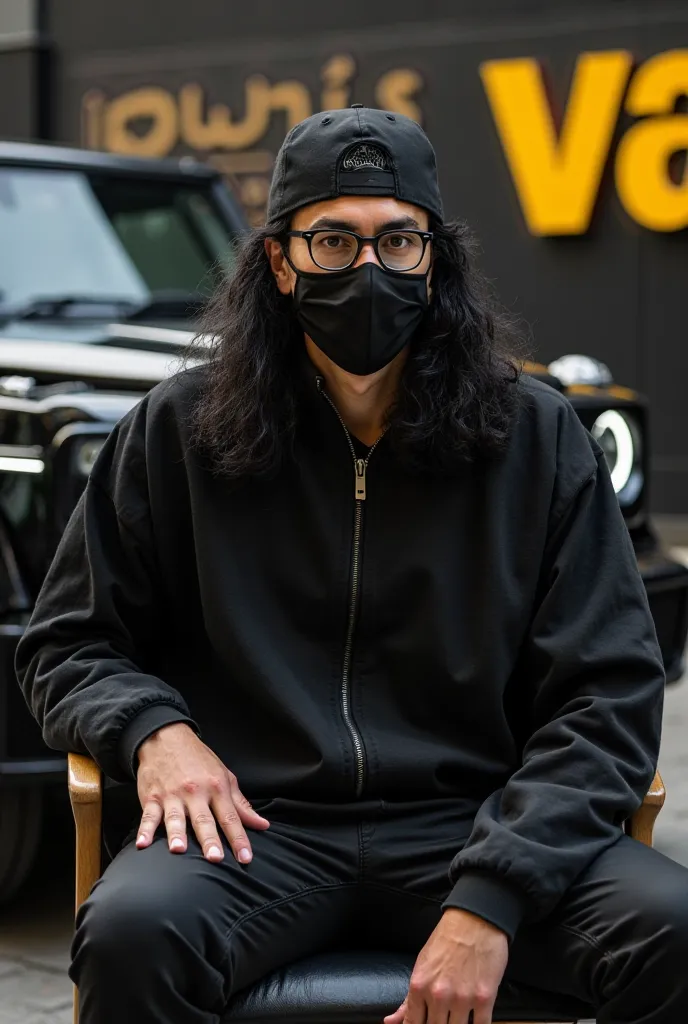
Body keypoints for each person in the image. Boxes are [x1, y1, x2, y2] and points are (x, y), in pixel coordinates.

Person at [16, 106, 687, 1024]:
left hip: (476, 820)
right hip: (252, 833)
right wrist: (154, 733)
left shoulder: (538, 436)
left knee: (673, 927)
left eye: (398, 241)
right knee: (133, 935)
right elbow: (65, 642)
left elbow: (609, 692)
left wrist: (490, 898)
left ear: (435, 260)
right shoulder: (176, 431)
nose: (368, 269)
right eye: (333, 240)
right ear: (280, 262)